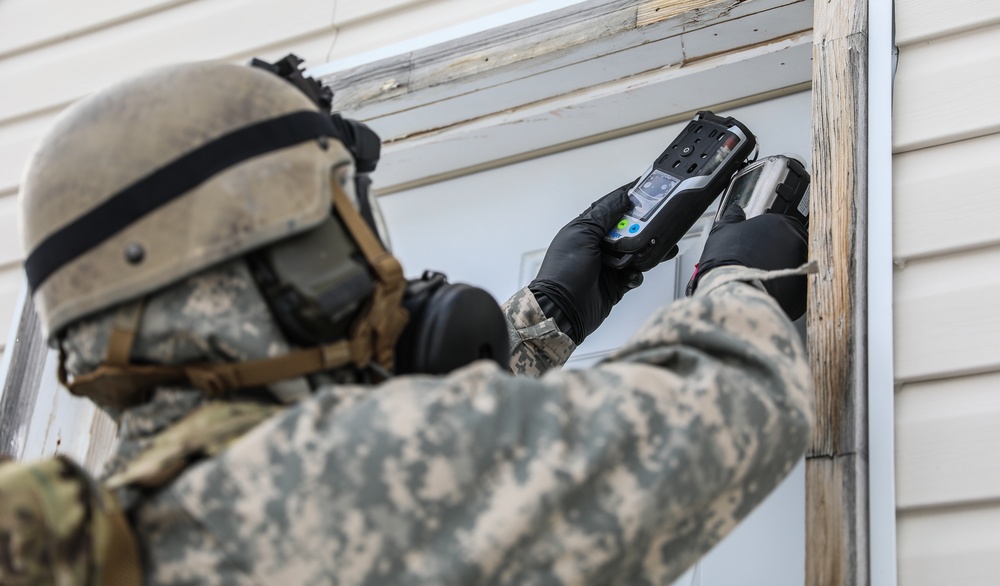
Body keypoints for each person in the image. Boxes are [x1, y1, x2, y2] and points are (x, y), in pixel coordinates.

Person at [3, 57, 813, 585]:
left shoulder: (121, 534)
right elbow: (734, 407)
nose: (380, 270)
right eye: (342, 222)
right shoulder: (319, 477)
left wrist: (547, 317)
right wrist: (739, 279)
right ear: (266, 258)